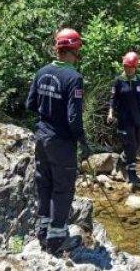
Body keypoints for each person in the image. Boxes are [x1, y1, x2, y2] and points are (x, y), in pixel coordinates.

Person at [25, 28, 88, 254]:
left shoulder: (42, 72)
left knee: (44, 183)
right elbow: (73, 117)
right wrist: (82, 142)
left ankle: (43, 232)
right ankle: (57, 238)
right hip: (61, 141)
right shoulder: (74, 78)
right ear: (73, 50)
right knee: (62, 189)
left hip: (41, 137)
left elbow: (30, 105)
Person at [106, 51, 140, 187]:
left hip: (136, 118)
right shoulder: (118, 81)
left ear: (135, 67)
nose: (128, 69)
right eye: (125, 67)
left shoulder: (139, 80)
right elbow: (112, 99)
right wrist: (110, 113)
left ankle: (122, 160)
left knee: (137, 144)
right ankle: (132, 174)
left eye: (130, 67)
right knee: (131, 145)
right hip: (123, 119)